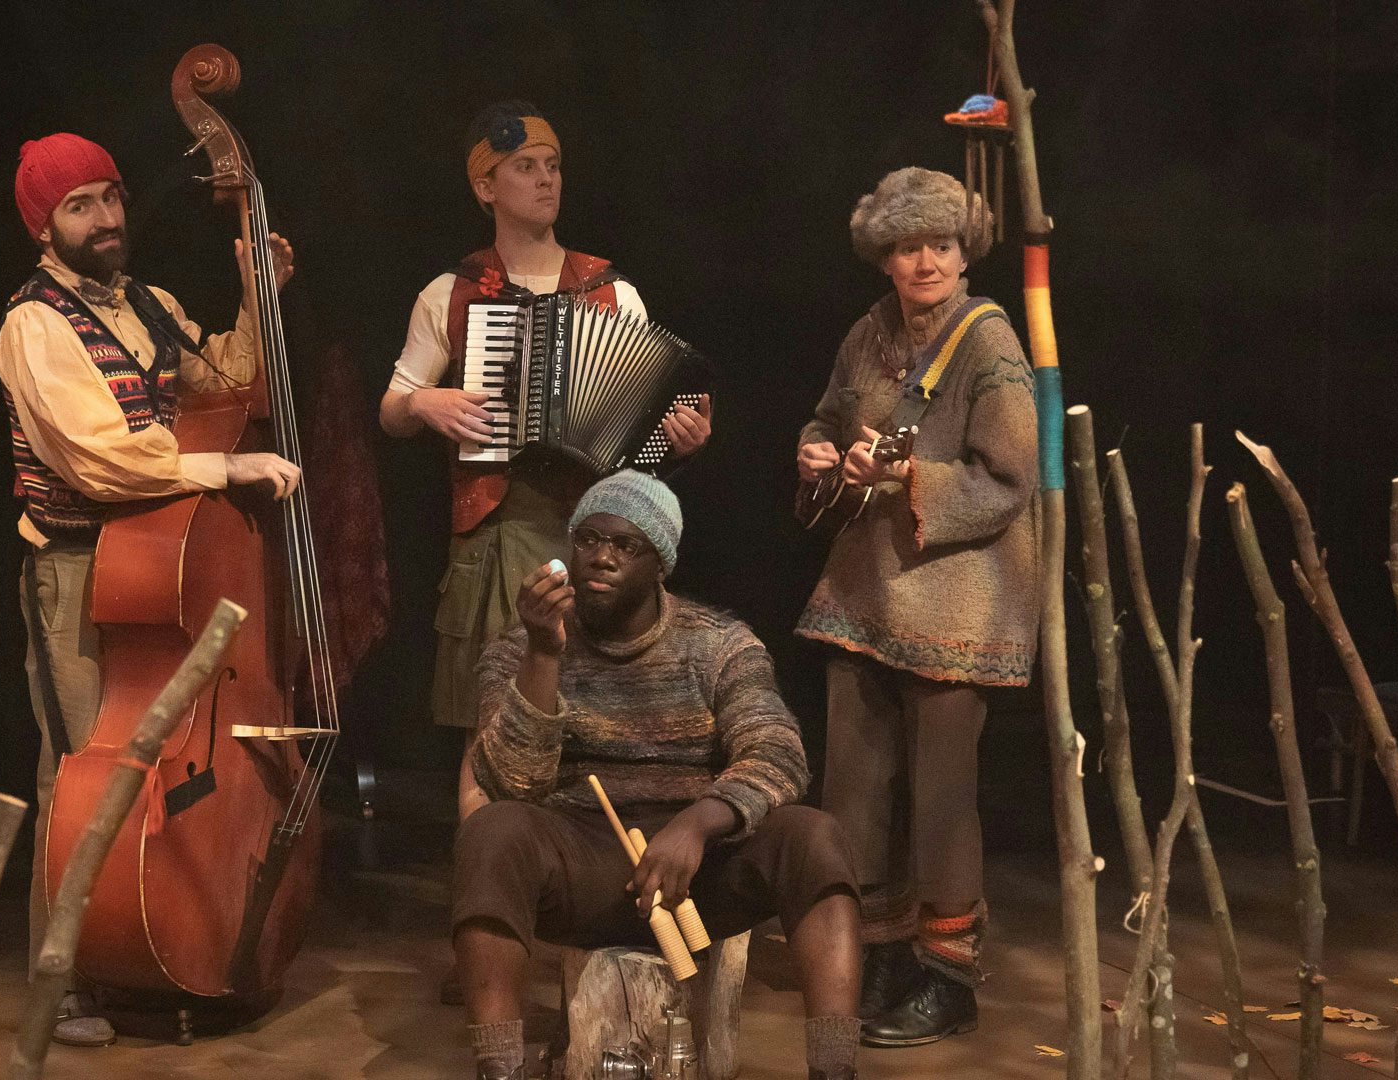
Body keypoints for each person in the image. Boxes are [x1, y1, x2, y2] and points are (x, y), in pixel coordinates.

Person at [0, 132, 301, 1047]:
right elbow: (100, 458)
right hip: (78, 562)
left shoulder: (154, 306)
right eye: (80, 206)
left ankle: (142, 936)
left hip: (156, 559)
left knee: (155, 764)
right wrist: (224, 466)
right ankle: (62, 981)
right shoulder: (35, 324)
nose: (106, 219)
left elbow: (230, 382)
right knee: (79, 764)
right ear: (43, 226)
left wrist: (259, 298)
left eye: (111, 197)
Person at [453, 471, 863, 1080]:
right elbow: (512, 782)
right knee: (491, 832)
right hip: (582, 859)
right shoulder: (520, 646)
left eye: (626, 546)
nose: (601, 557)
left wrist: (697, 825)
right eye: (588, 539)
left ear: (661, 564)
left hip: (697, 869)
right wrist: (543, 654)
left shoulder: (720, 645)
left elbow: (779, 752)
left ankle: (835, 1069)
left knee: (815, 838)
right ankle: (500, 1069)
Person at [377, 101, 712, 830]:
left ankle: (575, 894)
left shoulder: (610, 291)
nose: (544, 180)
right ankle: (487, 890)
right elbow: (393, 405)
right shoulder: (453, 293)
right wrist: (427, 404)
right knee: (488, 722)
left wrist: (678, 439)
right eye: (523, 167)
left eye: (552, 166)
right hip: (499, 527)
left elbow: (647, 428)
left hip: (595, 534)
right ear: (485, 187)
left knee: (589, 722)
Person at [793, 167, 1038, 1048]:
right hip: (867, 588)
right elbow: (826, 417)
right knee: (855, 786)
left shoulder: (988, 340)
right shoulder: (869, 333)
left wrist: (907, 478)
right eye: (906, 247)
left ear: (961, 249)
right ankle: (883, 956)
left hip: (959, 595)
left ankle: (948, 976)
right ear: (883, 258)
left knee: (941, 795)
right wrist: (819, 454)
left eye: (938, 243)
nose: (924, 261)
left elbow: (1009, 477)